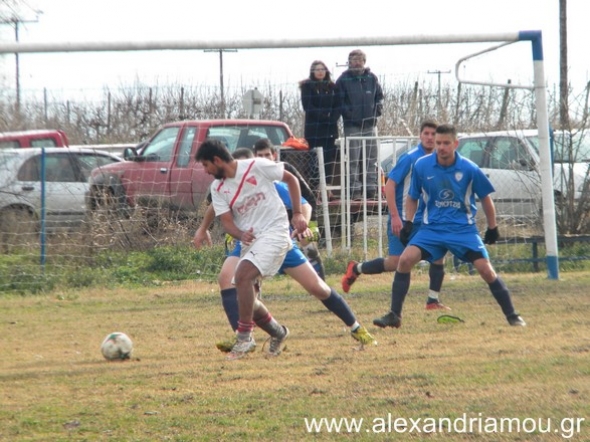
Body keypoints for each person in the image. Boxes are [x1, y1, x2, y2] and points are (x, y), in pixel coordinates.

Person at [372, 124, 526, 329]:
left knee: (486, 270)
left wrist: (492, 227)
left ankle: (513, 316)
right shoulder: (421, 165)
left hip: (463, 230)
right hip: (431, 229)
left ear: (455, 144)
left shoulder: (469, 168)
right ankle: (394, 315)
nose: (441, 147)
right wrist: (408, 222)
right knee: (405, 260)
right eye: (438, 143)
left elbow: (486, 199)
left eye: (446, 143)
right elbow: (412, 197)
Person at [341, 120, 450, 310]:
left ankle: (432, 300)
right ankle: (356, 268)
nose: (430, 137)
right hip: (403, 220)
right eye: (427, 133)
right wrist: (395, 217)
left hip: (425, 222)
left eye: (434, 134)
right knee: (395, 262)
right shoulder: (409, 158)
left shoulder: (438, 161)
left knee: (438, 254)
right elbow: (389, 186)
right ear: (420, 136)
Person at [253, 138, 325, 280]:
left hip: (298, 217)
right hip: (267, 224)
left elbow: (308, 199)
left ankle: (319, 279)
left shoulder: (285, 171)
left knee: (305, 237)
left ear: (274, 155)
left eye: (267, 155)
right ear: (254, 158)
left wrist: (304, 223)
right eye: (260, 156)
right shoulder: (250, 176)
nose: (264, 159)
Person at [335, 49, 384, 200]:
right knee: (353, 160)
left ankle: (371, 189)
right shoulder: (343, 80)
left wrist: (377, 111)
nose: (356, 62)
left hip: (370, 125)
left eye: (359, 59)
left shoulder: (371, 78)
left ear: (364, 61)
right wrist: (349, 114)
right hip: (352, 126)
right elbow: (338, 102)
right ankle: (354, 190)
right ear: (349, 62)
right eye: (353, 59)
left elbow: (380, 97)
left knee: (371, 159)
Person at [299, 60, 340, 188]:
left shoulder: (333, 87)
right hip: (314, 130)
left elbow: (338, 106)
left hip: (330, 129)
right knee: (314, 159)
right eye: (317, 69)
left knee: (328, 159)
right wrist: (323, 116)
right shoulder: (307, 86)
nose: (320, 72)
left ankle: (327, 187)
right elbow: (308, 106)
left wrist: (331, 118)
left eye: (322, 69)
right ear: (312, 72)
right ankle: (315, 186)